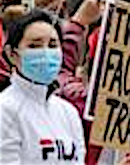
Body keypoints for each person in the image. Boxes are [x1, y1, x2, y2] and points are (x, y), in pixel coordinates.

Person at [0, 9, 86, 164]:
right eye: (34, 46)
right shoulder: (5, 109)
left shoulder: (68, 113)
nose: (46, 52)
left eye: (53, 45)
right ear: (12, 54)